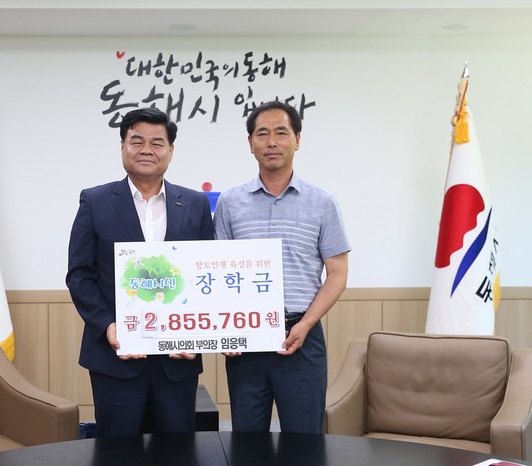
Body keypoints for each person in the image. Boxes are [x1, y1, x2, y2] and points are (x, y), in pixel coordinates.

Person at [66, 107, 214, 438]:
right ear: (123, 146)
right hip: (115, 356)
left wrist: (196, 334)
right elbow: (80, 275)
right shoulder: (95, 201)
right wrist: (108, 325)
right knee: (117, 453)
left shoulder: (195, 204)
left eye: (157, 143)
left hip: (178, 359)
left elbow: (205, 276)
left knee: (176, 453)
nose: (146, 149)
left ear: (171, 150)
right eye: (136, 141)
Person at [213, 101, 350, 433]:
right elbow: (217, 273)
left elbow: (337, 273)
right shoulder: (230, 202)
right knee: (247, 442)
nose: (271, 142)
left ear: (297, 140)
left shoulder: (323, 202)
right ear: (250, 143)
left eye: (281, 133)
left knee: (304, 443)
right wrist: (225, 332)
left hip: (301, 336)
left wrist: (306, 324)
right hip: (246, 341)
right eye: (262, 134)